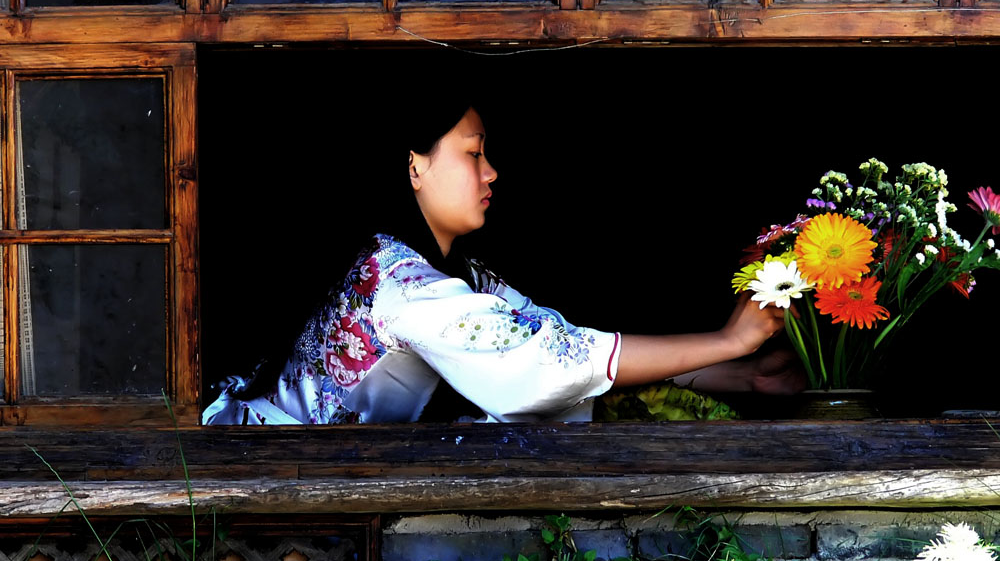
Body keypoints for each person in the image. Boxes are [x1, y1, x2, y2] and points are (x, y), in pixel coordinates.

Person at [202, 104, 799, 425]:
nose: (490, 172)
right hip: (269, 473)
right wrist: (728, 341)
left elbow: (567, 347)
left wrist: (744, 375)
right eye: (473, 153)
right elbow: (547, 368)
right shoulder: (399, 284)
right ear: (416, 167)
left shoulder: (458, 275)